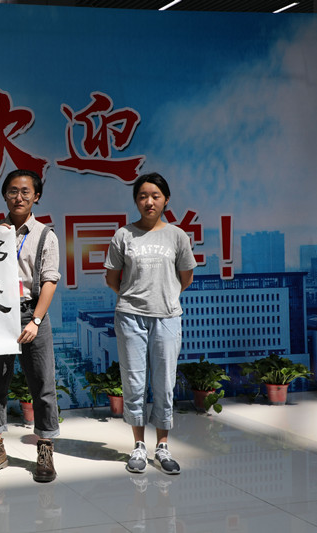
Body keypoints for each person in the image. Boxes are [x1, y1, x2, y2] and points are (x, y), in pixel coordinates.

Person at [104, 172, 196, 475]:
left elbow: (185, 277)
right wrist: (134, 298)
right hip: (130, 317)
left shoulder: (177, 236)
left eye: (155, 196)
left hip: (167, 317)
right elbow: (112, 278)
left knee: (164, 383)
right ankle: (139, 446)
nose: (149, 201)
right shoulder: (123, 235)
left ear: (166, 199)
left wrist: (164, 297)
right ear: (136, 201)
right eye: (143, 196)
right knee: (134, 382)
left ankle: (163, 446)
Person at [0, 169, 61, 483]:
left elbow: (49, 281)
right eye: (13, 191)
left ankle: (45, 448)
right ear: (4, 195)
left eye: (26, 192)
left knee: (43, 385)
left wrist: (36, 320)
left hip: (31, 313)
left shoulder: (45, 235)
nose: (19, 197)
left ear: (36, 196)